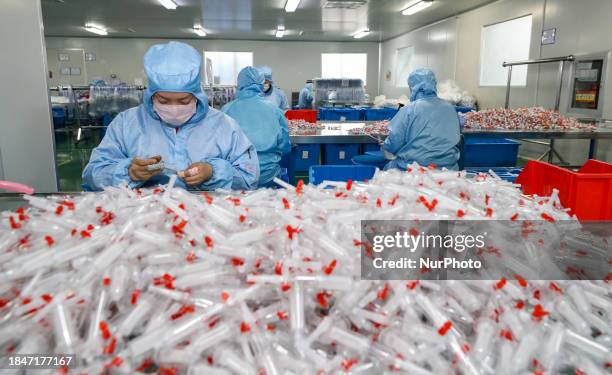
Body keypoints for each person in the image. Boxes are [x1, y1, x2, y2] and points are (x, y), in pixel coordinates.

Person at [83, 41, 259, 191]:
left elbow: (249, 177)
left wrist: (212, 172)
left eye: (183, 101)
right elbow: (93, 174)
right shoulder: (126, 124)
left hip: (207, 220)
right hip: (143, 223)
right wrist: (128, 172)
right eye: (164, 100)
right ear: (151, 94)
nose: (174, 108)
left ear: (197, 94)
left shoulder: (223, 125)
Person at [222, 67, 291, 187]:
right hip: (268, 176)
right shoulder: (275, 110)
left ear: (239, 85)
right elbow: (285, 147)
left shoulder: (226, 110)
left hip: (238, 178)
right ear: (260, 84)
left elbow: (219, 148)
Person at [383, 68, 460, 170]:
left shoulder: (409, 110)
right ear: (433, 85)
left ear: (414, 88)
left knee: (388, 170)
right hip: (448, 170)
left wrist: (385, 144)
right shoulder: (450, 108)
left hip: (415, 170)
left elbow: (393, 144)